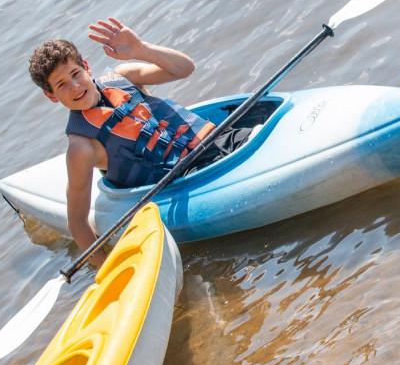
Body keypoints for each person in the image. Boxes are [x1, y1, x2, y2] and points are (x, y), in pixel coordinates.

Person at [29, 18, 252, 266]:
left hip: (217, 141)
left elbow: (185, 69)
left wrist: (141, 50)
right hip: (185, 183)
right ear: (51, 96)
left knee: (255, 136)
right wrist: (104, 269)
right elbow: (77, 221)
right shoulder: (81, 147)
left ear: (86, 67)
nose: (75, 86)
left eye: (75, 74)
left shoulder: (122, 76)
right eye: (61, 85)